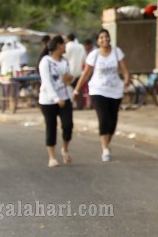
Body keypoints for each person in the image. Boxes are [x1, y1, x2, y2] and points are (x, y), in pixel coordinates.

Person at [74, 29, 129, 162]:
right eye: (101, 37)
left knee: (113, 121)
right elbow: (86, 73)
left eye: (106, 37)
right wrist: (76, 90)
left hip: (115, 90)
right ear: (98, 41)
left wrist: (126, 80)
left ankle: (107, 144)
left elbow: (125, 70)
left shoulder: (117, 52)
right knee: (103, 118)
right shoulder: (94, 55)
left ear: (110, 38)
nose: (104, 39)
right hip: (98, 90)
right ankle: (105, 148)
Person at [38, 35, 74, 167]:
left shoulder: (65, 61)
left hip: (64, 97)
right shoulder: (45, 62)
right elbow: (46, 82)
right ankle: (52, 157)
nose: (65, 47)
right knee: (51, 127)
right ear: (59, 46)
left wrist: (69, 79)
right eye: (64, 45)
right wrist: (55, 98)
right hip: (48, 100)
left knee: (68, 125)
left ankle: (65, 149)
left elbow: (67, 80)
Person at [65, 33, 86, 108]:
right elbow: (85, 60)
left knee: (69, 88)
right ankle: (80, 105)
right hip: (79, 71)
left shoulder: (67, 46)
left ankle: (72, 104)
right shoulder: (81, 47)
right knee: (78, 88)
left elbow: (64, 58)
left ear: (68, 39)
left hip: (70, 71)